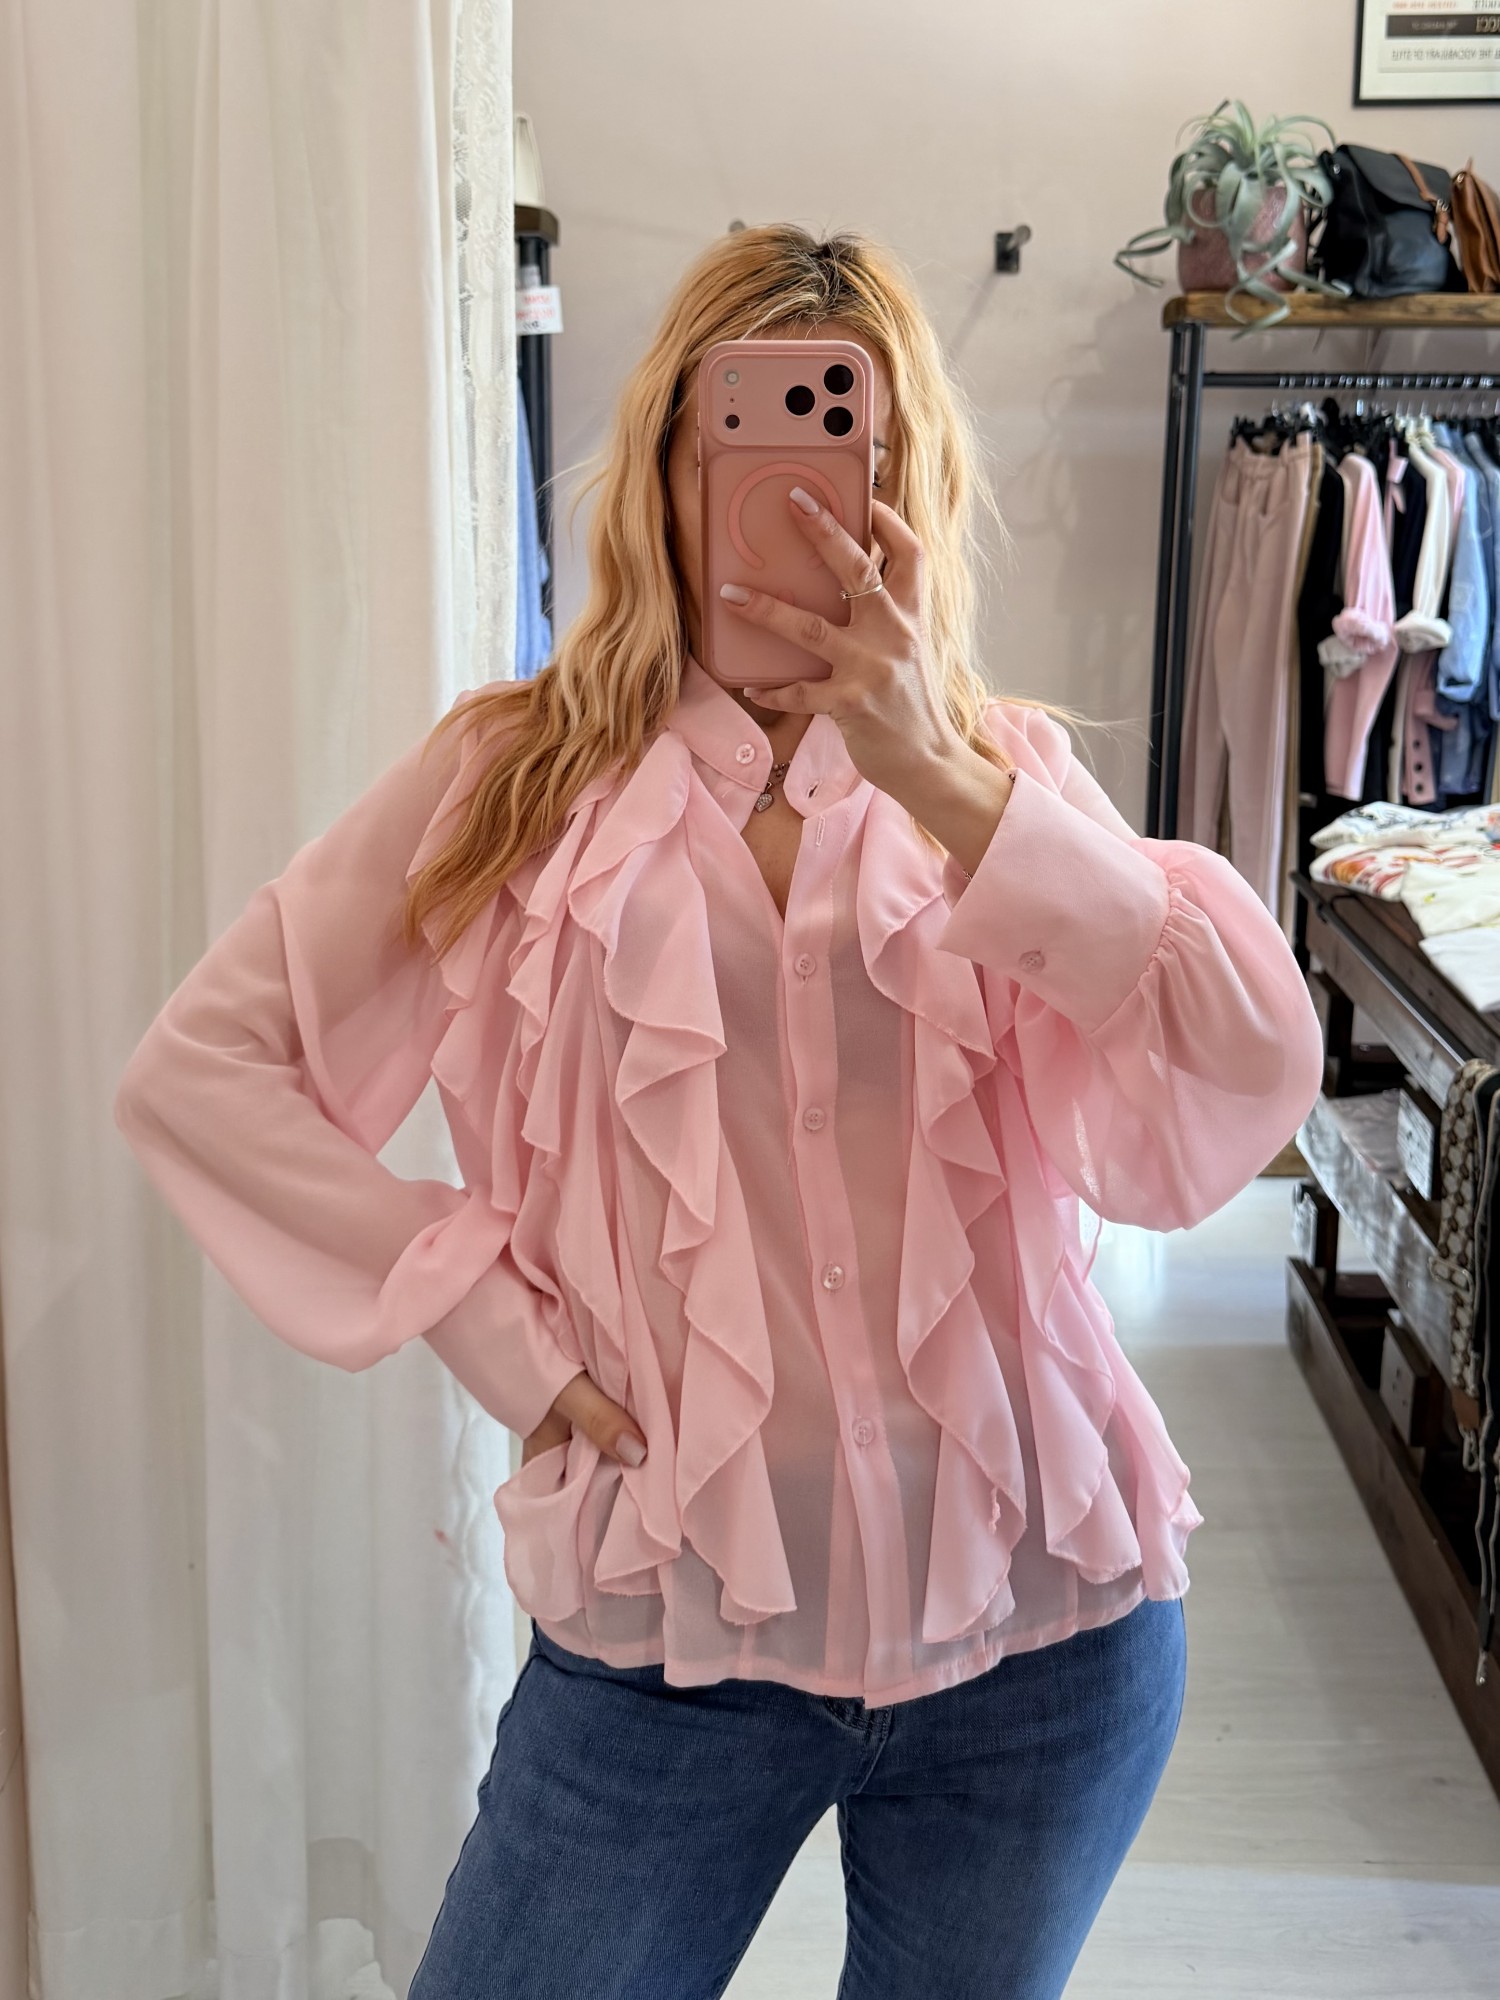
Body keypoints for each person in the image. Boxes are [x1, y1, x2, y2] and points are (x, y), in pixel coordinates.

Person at [115, 224, 1327, 1999]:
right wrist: (491, 1324)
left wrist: (944, 784)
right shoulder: (510, 784)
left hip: (1043, 1635)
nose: (799, 496)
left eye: (853, 443)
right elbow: (203, 1072)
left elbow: (1247, 1065)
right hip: (670, 1642)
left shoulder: (1004, 780)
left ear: (909, 481)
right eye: (744, 438)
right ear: (670, 471)